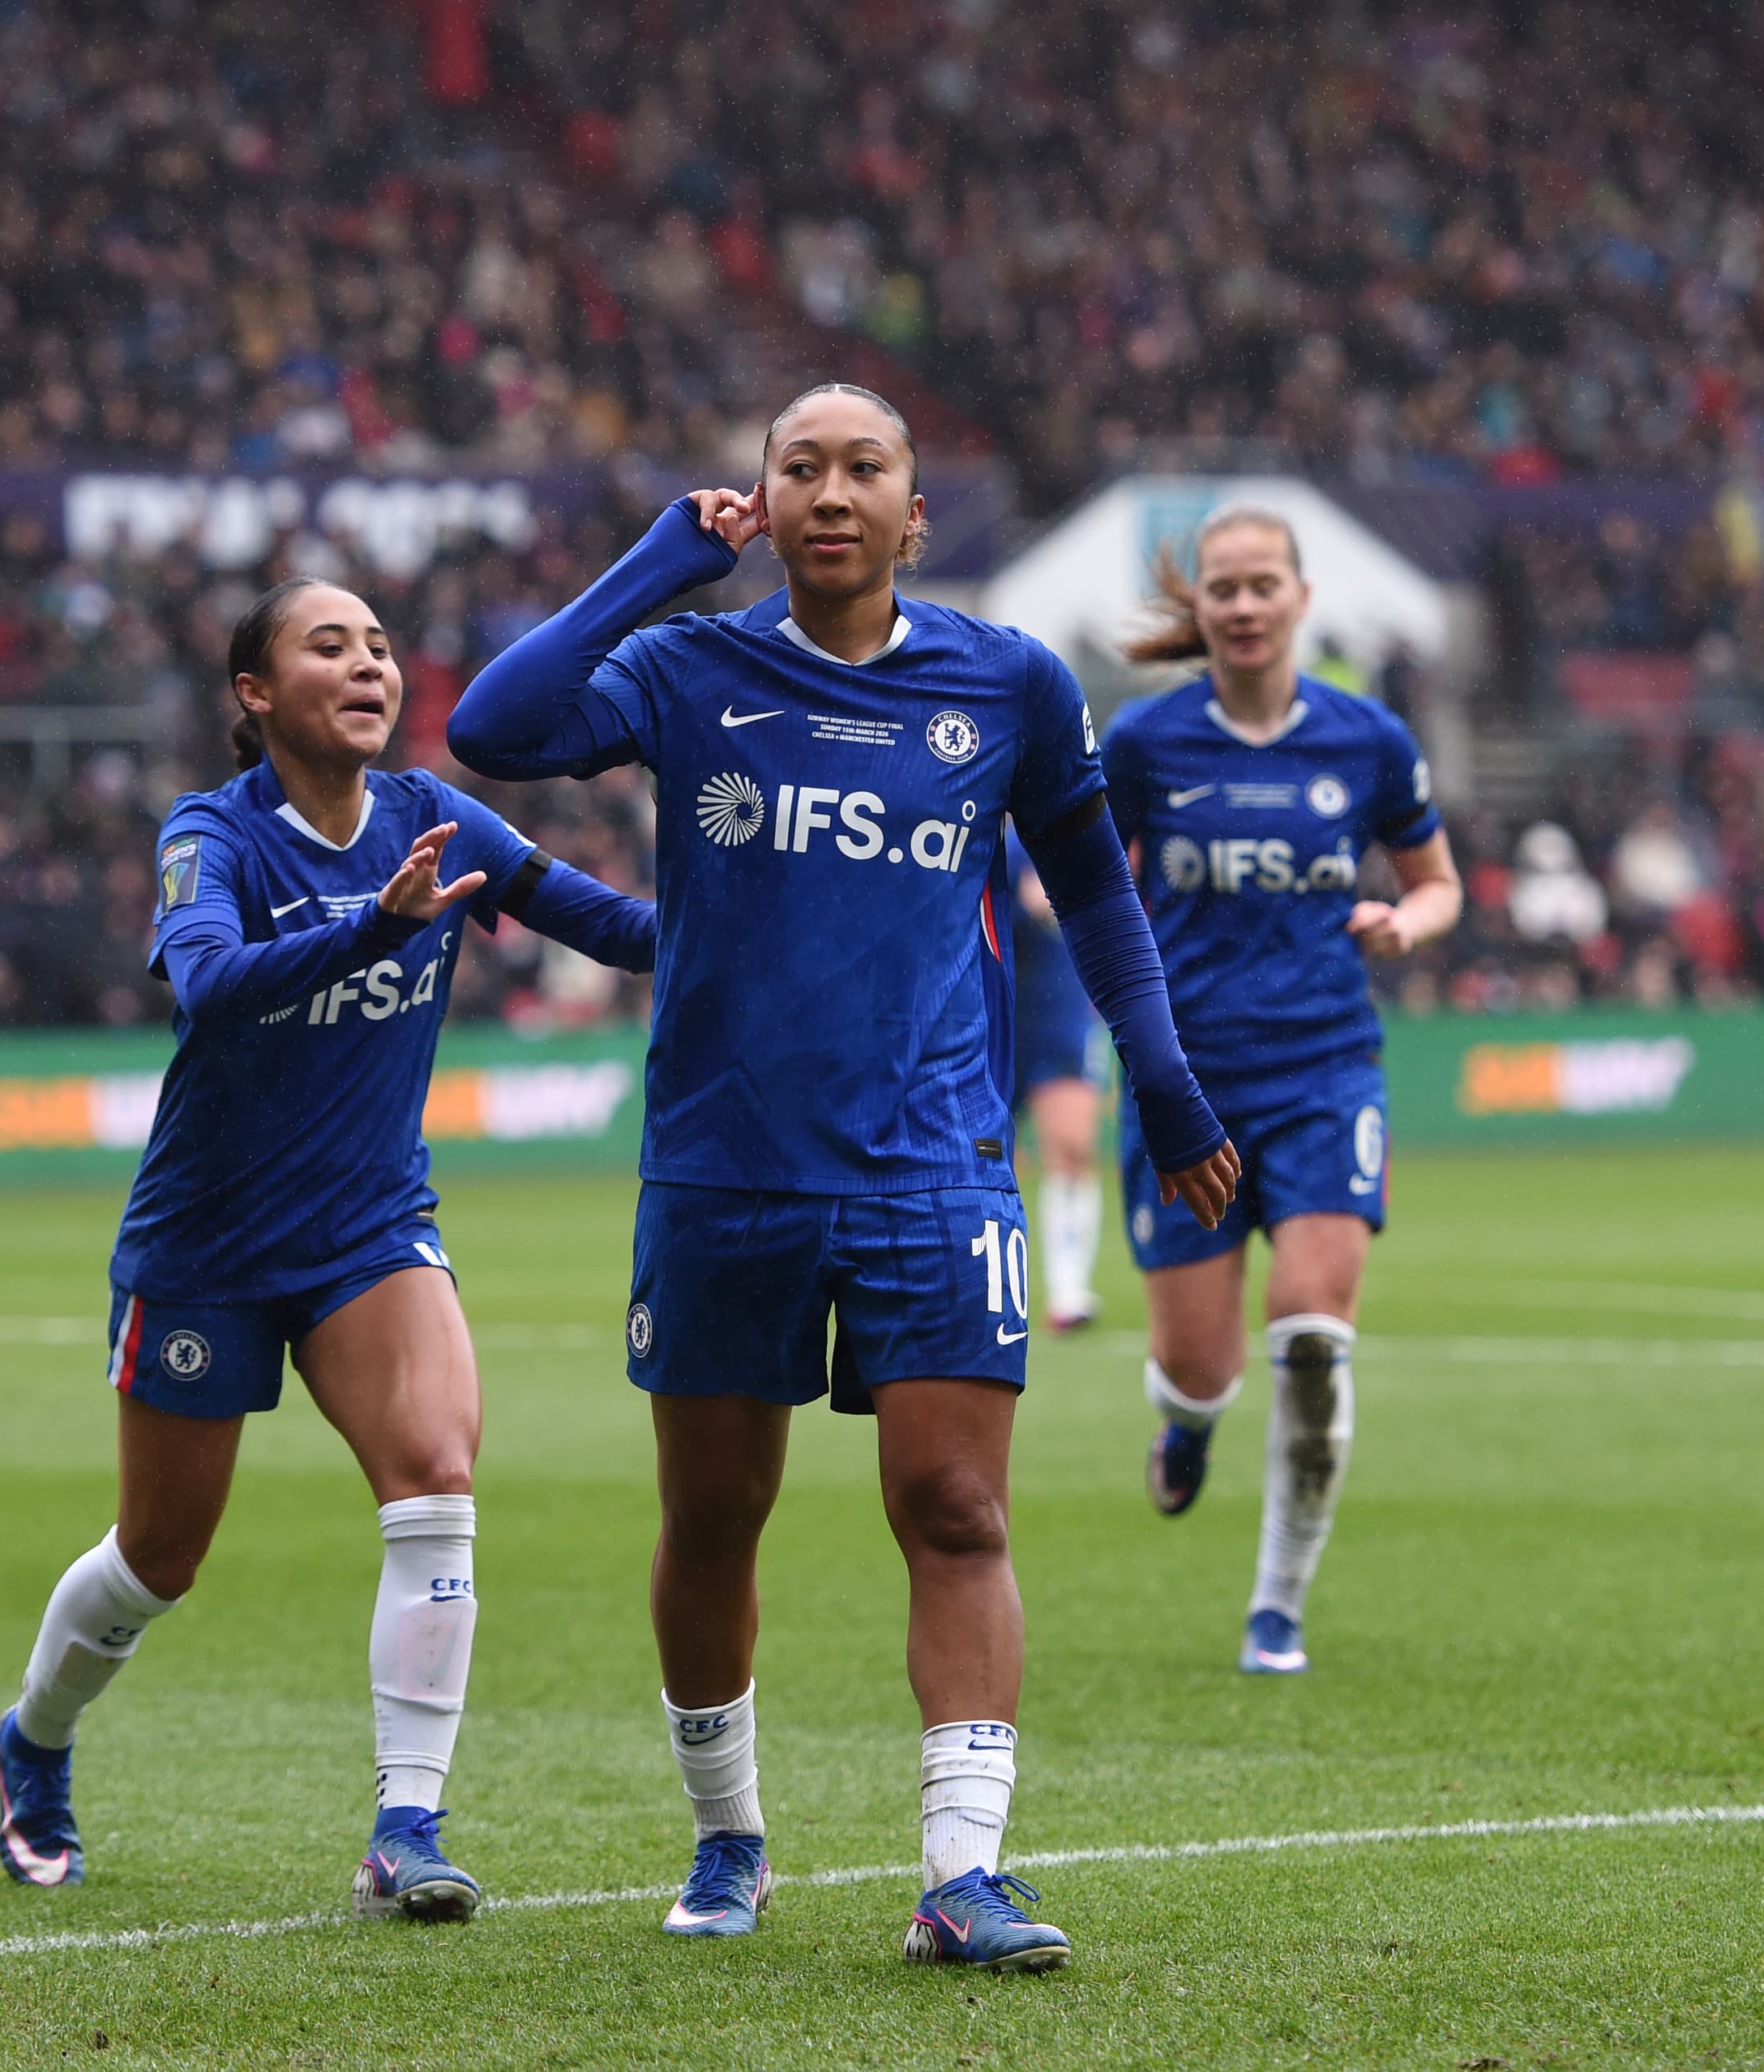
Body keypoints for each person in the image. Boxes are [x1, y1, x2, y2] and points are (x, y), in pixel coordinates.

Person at [447, 383, 1239, 1972]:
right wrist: (661, 565)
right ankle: (728, 1836)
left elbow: (1091, 889)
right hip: (724, 1167)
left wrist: (1161, 1080)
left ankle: (964, 1874)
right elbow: (497, 728)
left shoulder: (1005, 681)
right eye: (795, 468)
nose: (827, 492)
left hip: (934, 1169)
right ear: (763, 498)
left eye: (861, 468)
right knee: (716, 1516)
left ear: (912, 508)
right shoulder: (688, 666)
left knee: (955, 1507)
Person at [0, 579, 657, 1918]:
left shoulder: (436, 814)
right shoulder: (211, 834)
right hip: (207, 1242)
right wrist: (376, 925)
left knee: (437, 1474)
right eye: (328, 645)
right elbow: (211, 982)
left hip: (369, 1229)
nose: (369, 665)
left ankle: (407, 1825)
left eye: (382, 647)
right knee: (159, 1557)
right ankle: (34, 1740)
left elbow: (612, 925)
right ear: (256, 692)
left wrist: (771, 914)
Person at [1104, 506, 1463, 1676]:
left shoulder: (1366, 740)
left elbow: (1439, 882)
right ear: (1200, 609)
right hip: (1188, 1084)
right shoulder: (1148, 744)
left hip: (1325, 1068)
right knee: (1203, 1370)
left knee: (1312, 1335)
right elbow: (1081, 875)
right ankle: (1187, 1425)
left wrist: (1406, 921)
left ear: (1302, 599)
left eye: (1266, 585)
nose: (1247, 606)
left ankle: (1278, 1607)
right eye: (1226, 589)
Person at [1003, 828, 1108, 1331]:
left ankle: (1069, 1293)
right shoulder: (985, 830)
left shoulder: (1073, 828)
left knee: (1071, 1147)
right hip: (986, 1014)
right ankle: (989, 1285)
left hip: (1059, 1012)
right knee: (981, 1158)